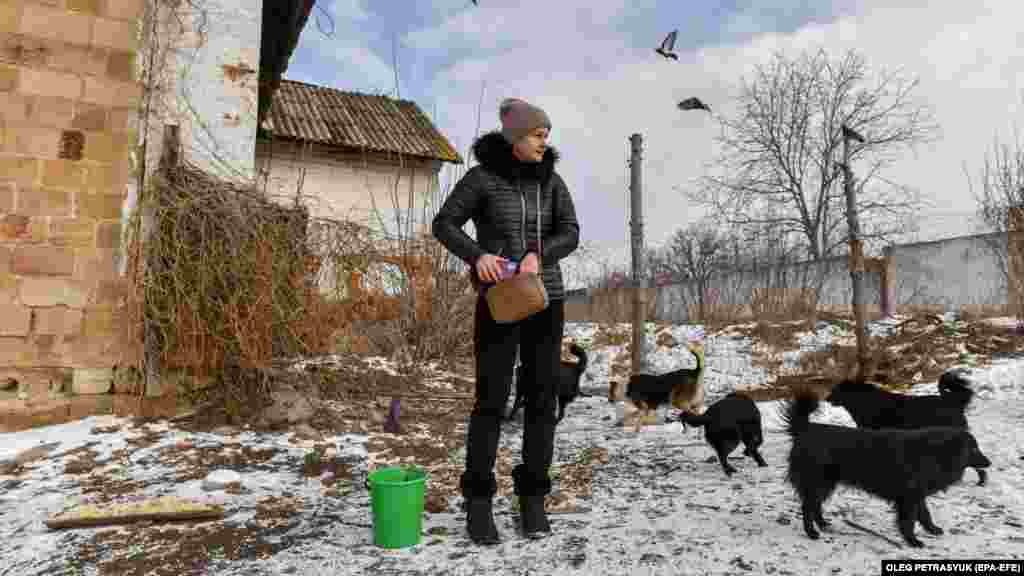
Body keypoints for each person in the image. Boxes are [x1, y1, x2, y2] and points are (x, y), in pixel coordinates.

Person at [432, 97, 580, 544]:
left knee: (541, 402)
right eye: (537, 134)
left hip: (546, 301)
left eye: (545, 135)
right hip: (499, 304)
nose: (544, 142)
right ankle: (478, 503)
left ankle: (532, 499)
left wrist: (541, 254)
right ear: (516, 137)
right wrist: (478, 257)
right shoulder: (481, 179)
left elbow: (570, 232)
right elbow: (445, 224)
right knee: (491, 403)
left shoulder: (552, 183)